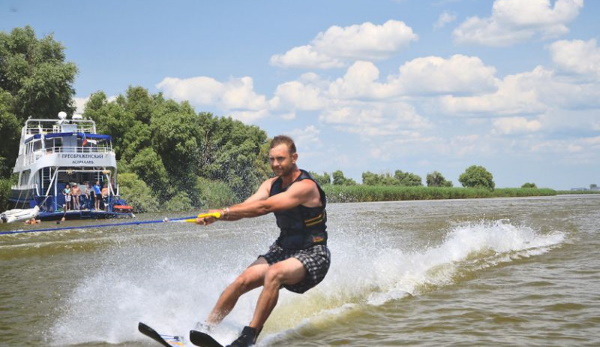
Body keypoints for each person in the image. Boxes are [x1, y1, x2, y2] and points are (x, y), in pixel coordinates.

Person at [195, 135, 330, 347]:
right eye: (272, 159)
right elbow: (246, 208)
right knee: (242, 281)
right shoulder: (270, 184)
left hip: (313, 252)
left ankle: (249, 336)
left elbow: (265, 207)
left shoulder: (306, 187)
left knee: (274, 274)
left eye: (281, 159)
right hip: (283, 248)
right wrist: (218, 217)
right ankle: (205, 329)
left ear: (294, 158)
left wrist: (223, 211)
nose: (275, 164)